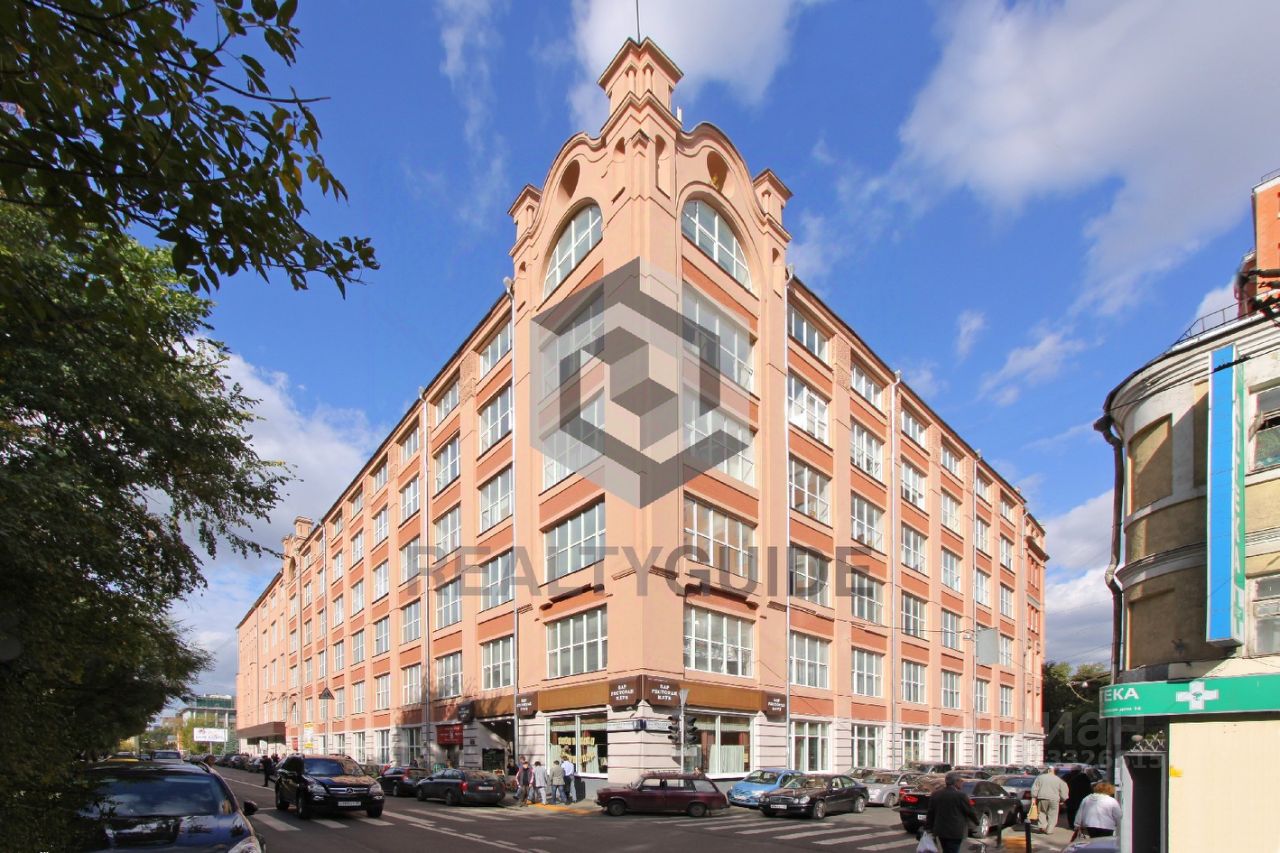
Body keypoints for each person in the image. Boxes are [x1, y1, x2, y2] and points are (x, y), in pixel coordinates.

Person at [925, 772, 980, 853]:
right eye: (961, 781)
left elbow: (930, 813)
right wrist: (977, 822)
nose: (962, 783)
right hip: (955, 831)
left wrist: (928, 827)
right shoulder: (961, 796)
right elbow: (970, 811)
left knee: (946, 849)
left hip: (941, 830)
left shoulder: (936, 794)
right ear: (956, 782)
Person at [1031, 767, 1070, 834]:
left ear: (1048, 770)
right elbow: (1064, 790)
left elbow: (1034, 788)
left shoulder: (1040, 778)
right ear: (1054, 771)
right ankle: (1050, 829)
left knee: (1042, 812)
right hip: (1054, 799)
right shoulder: (1058, 779)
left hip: (1042, 797)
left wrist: (1034, 796)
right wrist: (1063, 799)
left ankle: (1042, 826)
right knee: (1053, 814)